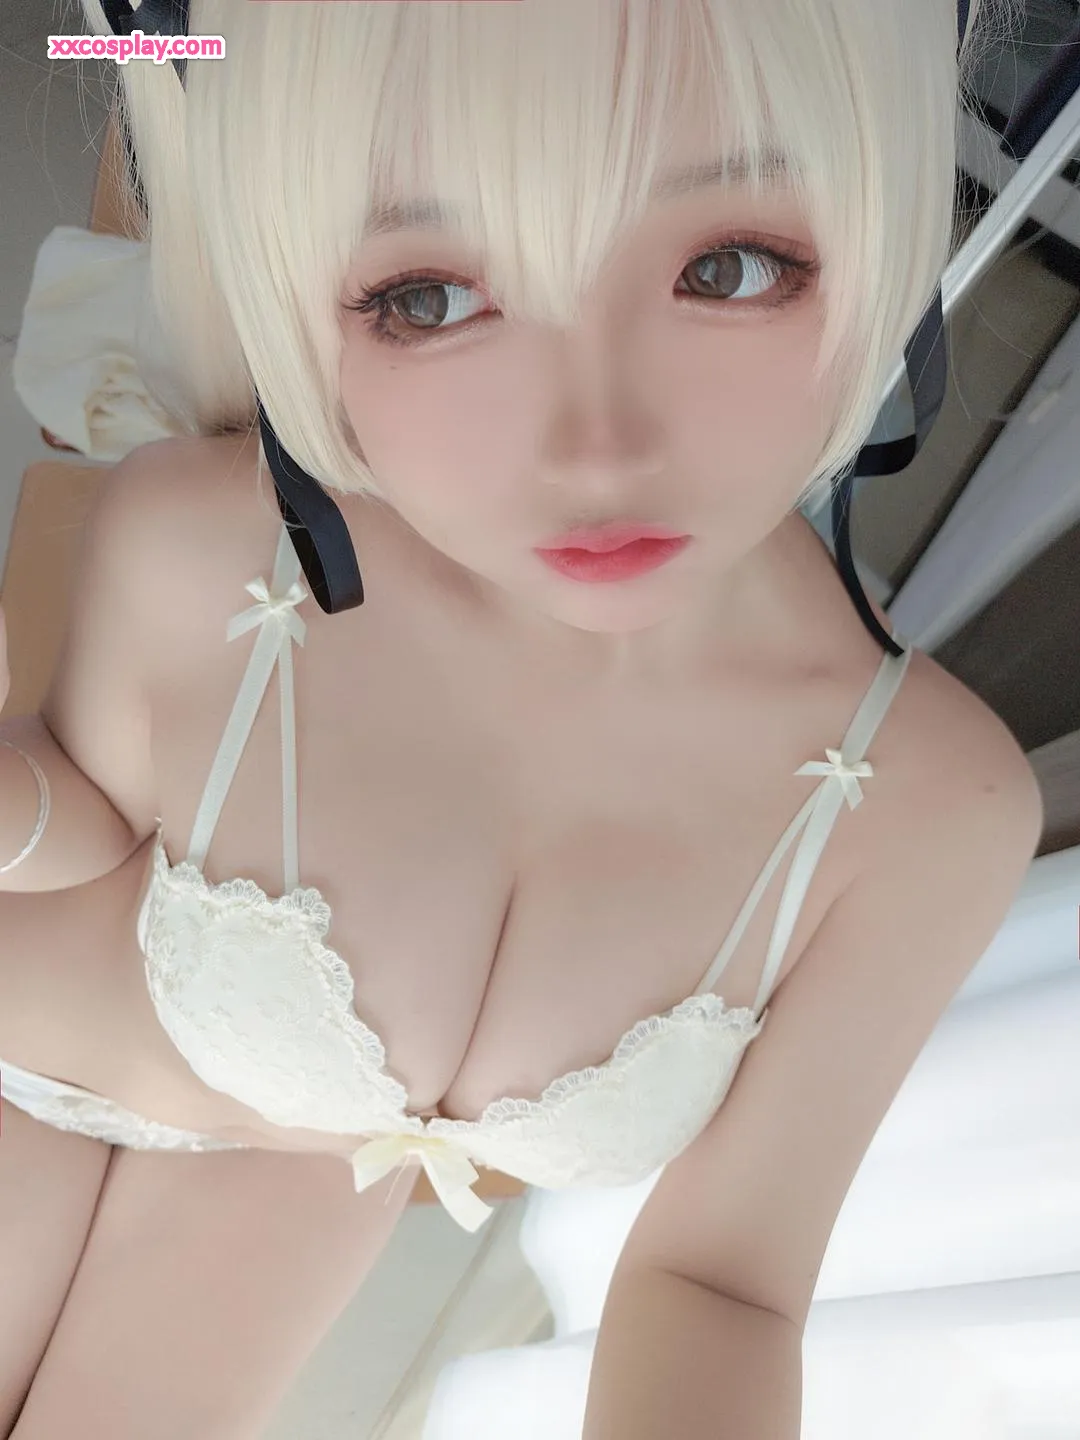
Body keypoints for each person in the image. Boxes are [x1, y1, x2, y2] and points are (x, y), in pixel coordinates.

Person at [0, 1, 1041, 1436]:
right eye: (429, 297)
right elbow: (84, 820)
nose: (597, 449)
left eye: (729, 270)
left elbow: (723, 1288)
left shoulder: (932, 811)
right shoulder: (204, 539)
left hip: (297, 1176)